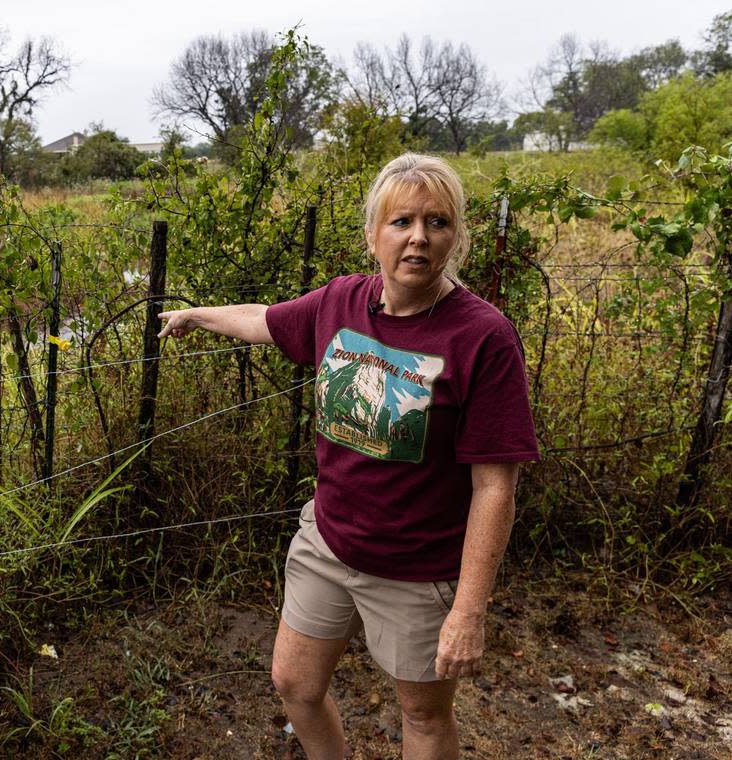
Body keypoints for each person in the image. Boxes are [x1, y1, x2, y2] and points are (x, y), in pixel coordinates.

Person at [158, 153, 539, 760]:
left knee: (422, 714)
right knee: (295, 684)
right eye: (401, 221)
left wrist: (469, 608)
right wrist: (195, 315)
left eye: (437, 223)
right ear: (372, 235)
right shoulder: (340, 302)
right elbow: (265, 320)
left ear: (456, 238)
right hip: (329, 542)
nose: (418, 237)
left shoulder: (482, 336)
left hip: (420, 570)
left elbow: (495, 487)